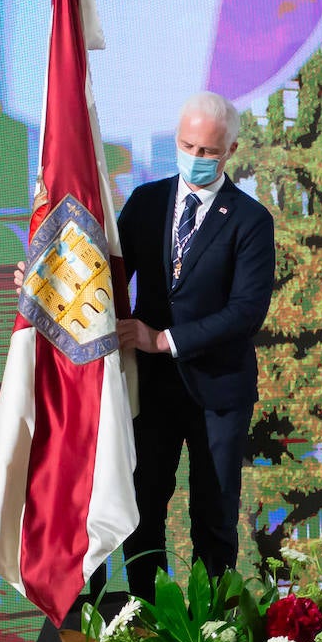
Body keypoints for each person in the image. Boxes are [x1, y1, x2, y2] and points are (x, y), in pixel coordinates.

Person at [114, 92, 275, 599]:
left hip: (220, 394)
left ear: (230, 150)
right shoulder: (146, 202)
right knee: (143, 509)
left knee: (215, 515)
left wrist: (165, 339)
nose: (195, 158)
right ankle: (147, 620)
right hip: (155, 392)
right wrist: (44, 285)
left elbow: (246, 312)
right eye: (186, 145)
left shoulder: (251, 221)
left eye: (207, 150)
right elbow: (107, 279)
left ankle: (212, 631)